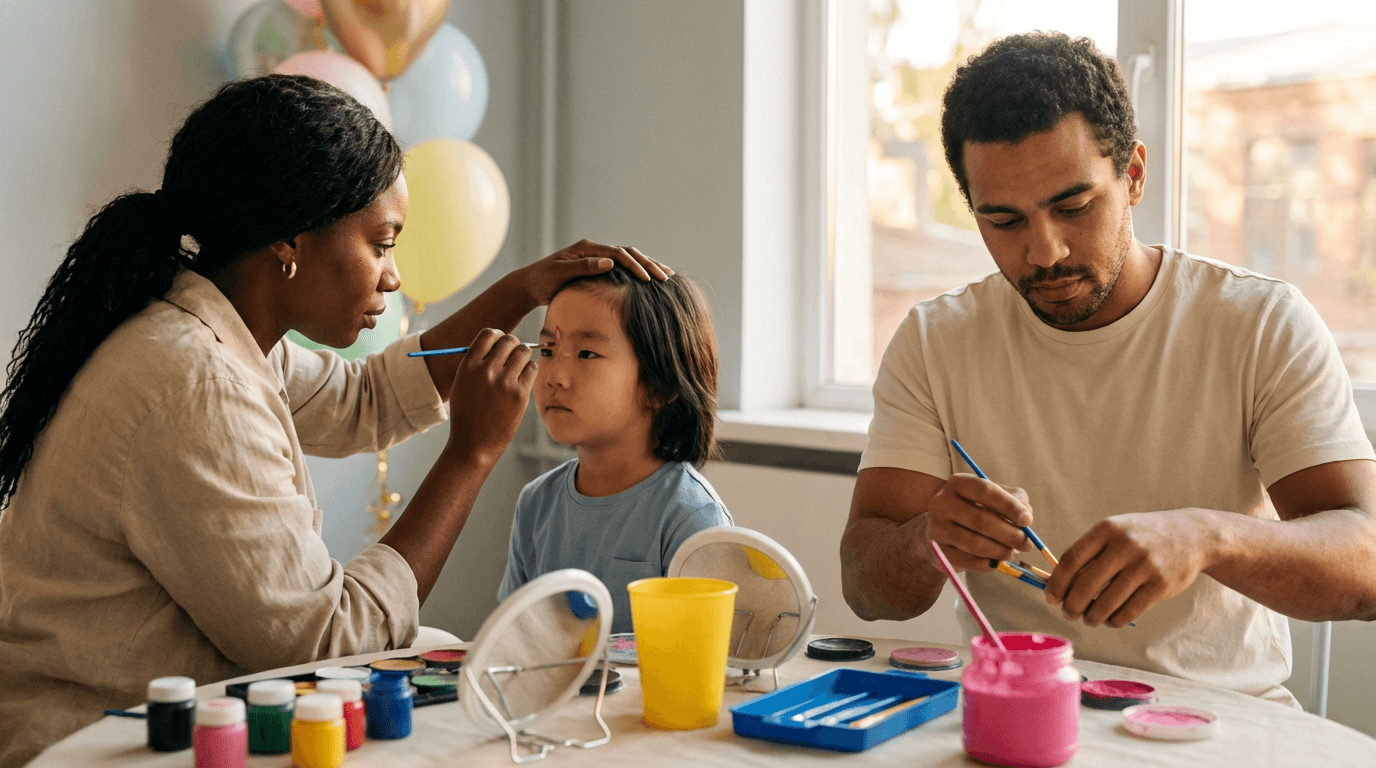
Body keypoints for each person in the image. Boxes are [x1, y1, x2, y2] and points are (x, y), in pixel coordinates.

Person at [0, 74, 669, 766]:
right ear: (292, 242)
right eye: (381, 244)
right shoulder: (194, 383)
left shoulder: (205, 328)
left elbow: (369, 399)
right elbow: (327, 642)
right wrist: (470, 455)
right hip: (94, 744)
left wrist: (523, 290)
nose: (393, 276)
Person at [839, 31, 1376, 706]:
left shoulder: (1259, 323)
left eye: (1074, 207)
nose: (1045, 251)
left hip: (1215, 723)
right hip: (1017, 709)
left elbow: (1367, 569)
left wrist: (1206, 538)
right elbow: (864, 587)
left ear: (1135, 176)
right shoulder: (935, 341)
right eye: (1003, 221)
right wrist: (928, 540)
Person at [498, 267, 732, 633]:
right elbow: (515, 640)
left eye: (587, 353)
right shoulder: (536, 503)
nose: (555, 375)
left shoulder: (690, 517)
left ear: (660, 385)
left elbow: (703, 660)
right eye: (548, 349)